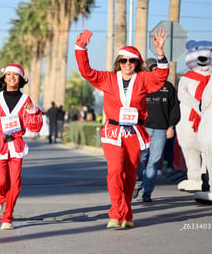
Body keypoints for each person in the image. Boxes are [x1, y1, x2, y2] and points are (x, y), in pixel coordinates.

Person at [75, 27, 168, 228]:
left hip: (135, 133)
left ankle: (126, 214)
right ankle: (116, 213)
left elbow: (160, 77)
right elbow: (87, 72)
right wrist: (81, 48)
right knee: (115, 170)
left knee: (130, 174)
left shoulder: (143, 79)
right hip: (113, 132)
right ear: (119, 63)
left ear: (138, 63)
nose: (127, 64)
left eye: (132, 60)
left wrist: (160, 53)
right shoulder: (108, 78)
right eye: (124, 60)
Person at [0, 64, 43, 230]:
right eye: (9, 74)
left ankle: (8, 217)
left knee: (15, 185)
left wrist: (33, 112)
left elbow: (35, 128)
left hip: (17, 146)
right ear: (4, 78)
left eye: (16, 75)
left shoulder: (26, 100)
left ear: (21, 79)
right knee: (0, 181)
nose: (12, 77)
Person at [133, 58, 181, 202]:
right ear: (146, 71)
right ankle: (137, 183)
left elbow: (174, 109)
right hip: (142, 128)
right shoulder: (141, 85)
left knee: (153, 161)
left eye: (157, 68)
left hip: (161, 130)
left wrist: (171, 126)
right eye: (152, 68)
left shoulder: (168, 87)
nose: (155, 70)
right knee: (139, 159)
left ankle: (147, 192)